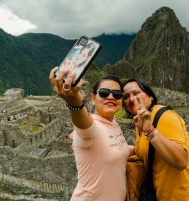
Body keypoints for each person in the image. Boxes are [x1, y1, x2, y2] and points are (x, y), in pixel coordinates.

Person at [49, 67, 133, 201]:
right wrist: (75, 102)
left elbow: (118, 148)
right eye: (104, 93)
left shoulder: (114, 124)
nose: (111, 97)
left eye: (117, 94)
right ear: (93, 98)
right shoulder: (92, 127)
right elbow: (84, 125)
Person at [122, 78, 189, 201]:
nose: (131, 99)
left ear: (150, 96)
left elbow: (181, 161)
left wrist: (150, 131)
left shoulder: (163, 116)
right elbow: (143, 150)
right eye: (126, 97)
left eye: (136, 93)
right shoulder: (140, 122)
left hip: (187, 196)